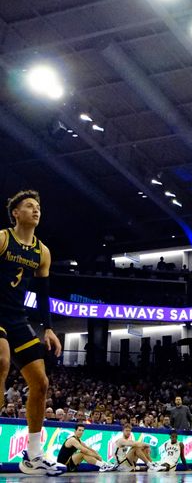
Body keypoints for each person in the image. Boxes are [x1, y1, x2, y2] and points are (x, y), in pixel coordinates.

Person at [1, 190, 65, 475]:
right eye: (29, 206)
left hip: (17, 318)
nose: (36, 210)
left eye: (38, 206)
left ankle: (34, 455)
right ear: (16, 213)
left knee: (40, 383)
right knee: (1, 362)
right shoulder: (2, 238)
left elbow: (43, 293)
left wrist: (48, 327)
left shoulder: (43, 252)